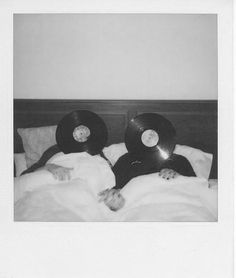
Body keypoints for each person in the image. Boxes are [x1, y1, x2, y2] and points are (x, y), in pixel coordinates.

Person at [21, 143, 196, 211]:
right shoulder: (55, 149)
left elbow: (194, 185)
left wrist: (176, 175)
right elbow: (25, 176)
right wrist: (51, 166)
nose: (83, 136)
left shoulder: (100, 158)